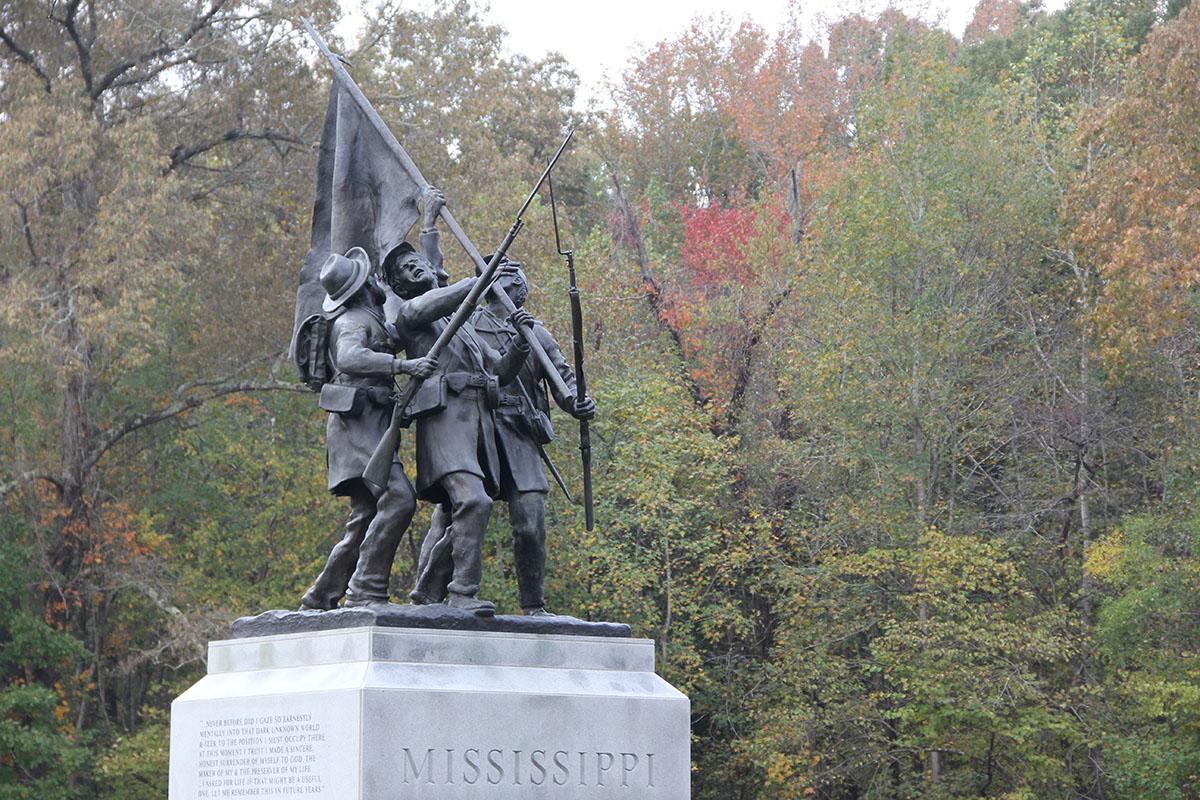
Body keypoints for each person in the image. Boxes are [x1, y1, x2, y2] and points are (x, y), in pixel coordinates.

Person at [412, 261, 596, 615]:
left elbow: (563, 378)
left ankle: (534, 605)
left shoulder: (536, 332)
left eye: (516, 282)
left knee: (530, 521)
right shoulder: (467, 323)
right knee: (456, 516)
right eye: (505, 280)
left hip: (521, 433)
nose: (511, 287)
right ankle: (428, 596)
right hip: (476, 428)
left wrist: (578, 402)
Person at [387, 233, 533, 616]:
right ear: (400, 286)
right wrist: (482, 278)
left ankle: (426, 592)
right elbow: (439, 301)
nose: (414, 265)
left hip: (477, 421)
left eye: (417, 259)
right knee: (474, 500)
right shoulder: (412, 312)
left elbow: (499, 371)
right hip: (443, 421)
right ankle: (463, 593)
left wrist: (519, 342)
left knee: (460, 512)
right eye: (405, 269)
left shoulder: (460, 322)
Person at [298, 246, 435, 611]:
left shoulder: (373, 318)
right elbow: (349, 357)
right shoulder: (352, 321)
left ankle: (321, 595)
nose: (377, 282)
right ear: (361, 289)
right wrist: (402, 367)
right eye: (370, 278)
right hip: (355, 427)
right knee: (399, 498)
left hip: (372, 424)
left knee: (365, 515)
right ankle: (365, 590)